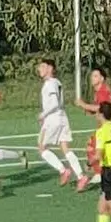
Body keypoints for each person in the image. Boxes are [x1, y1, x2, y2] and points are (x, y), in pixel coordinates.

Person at [36, 59, 83, 188]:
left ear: (50, 69)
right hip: (62, 117)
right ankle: (81, 176)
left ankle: (63, 170)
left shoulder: (50, 84)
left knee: (42, 147)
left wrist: (43, 114)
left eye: (42, 66)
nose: (39, 69)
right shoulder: (56, 82)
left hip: (53, 119)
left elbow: (55, 103)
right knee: (65, 147)